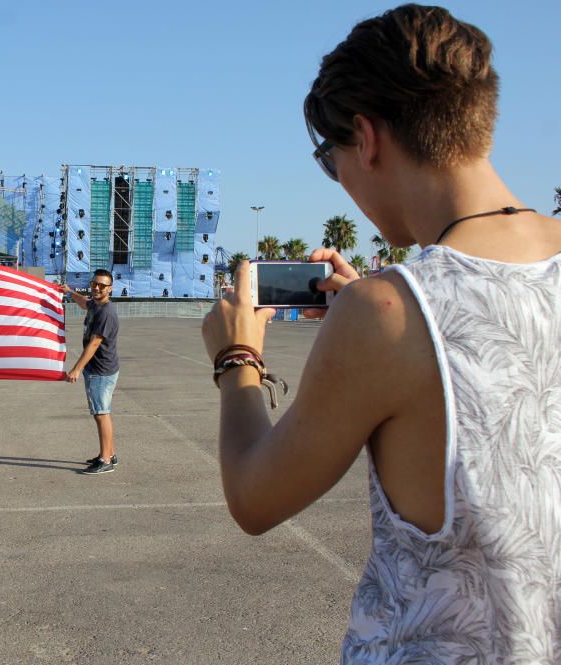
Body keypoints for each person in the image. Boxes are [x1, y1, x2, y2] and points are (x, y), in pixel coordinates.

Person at [201, 5, 561, 661]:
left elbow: (254, 497)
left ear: (365, 139)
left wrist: (237, 357)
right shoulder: (397, 303)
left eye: (329, 159)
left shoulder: (386, 313)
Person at [61, 269, 120, 475]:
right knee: (102, 412)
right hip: (100, 368)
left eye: (102, 286)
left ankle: (105, 460)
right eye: (95, 284)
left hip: (100, 370)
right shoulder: (95, 304)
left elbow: (95, 343)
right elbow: (84, 302)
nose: (97, 288)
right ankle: (109, 454)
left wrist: (77, 369)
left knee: (101, 413)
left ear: (110, 289)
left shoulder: (106, 313)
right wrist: (69, 292)